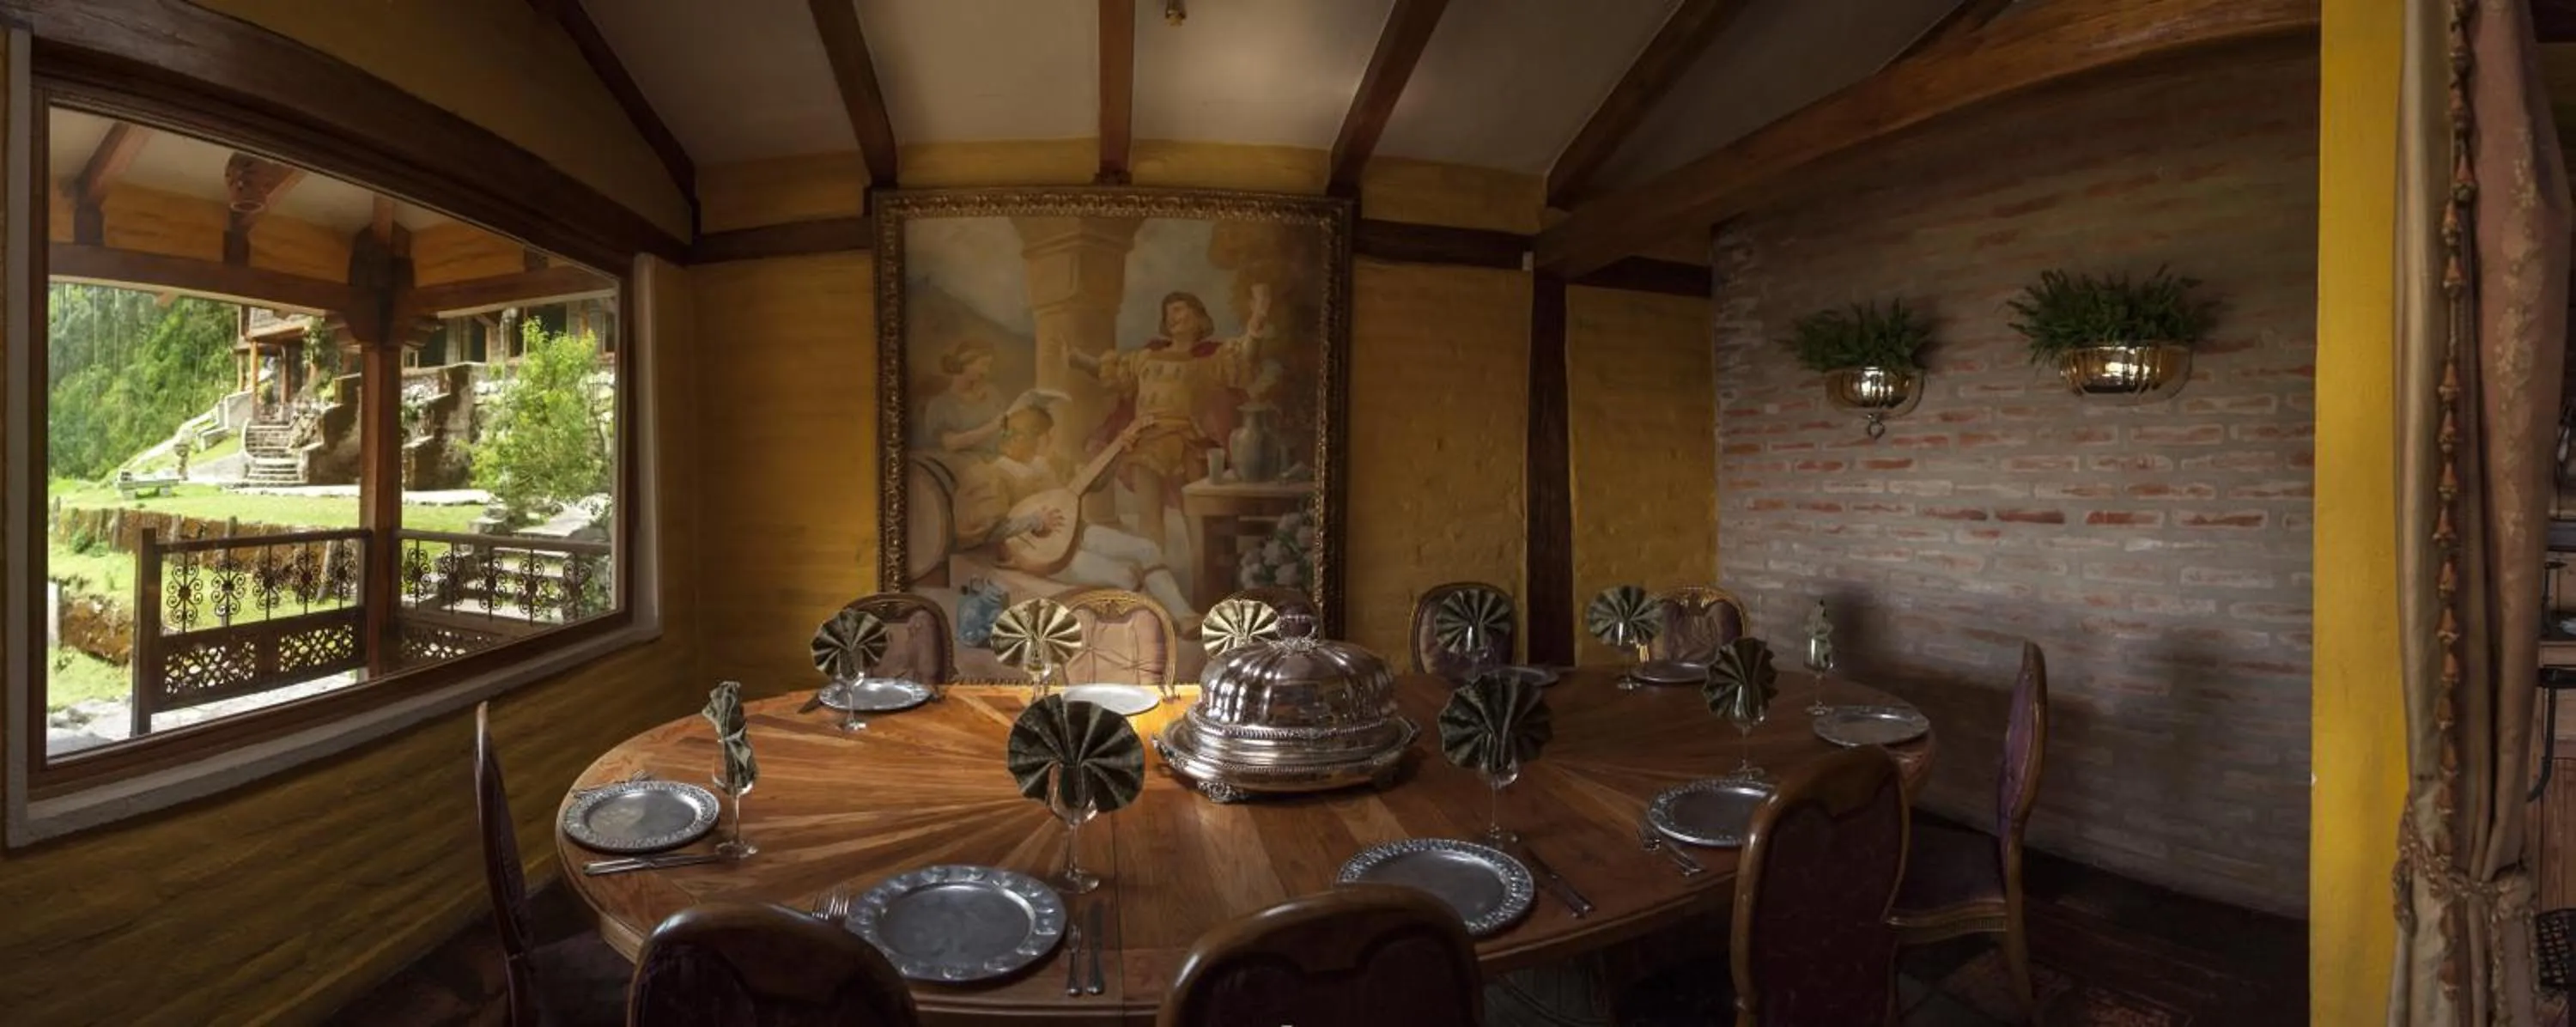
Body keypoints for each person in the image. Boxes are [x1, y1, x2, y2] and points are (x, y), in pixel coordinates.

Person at [1068, 286, 1275, 555]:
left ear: (1199, 318)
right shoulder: (1146, 357)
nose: (1171, 316)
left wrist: (1258, 316)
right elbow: (1113, 372)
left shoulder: (1210, 358)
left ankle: (1206, 578)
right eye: (1168, 312)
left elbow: (1245, 355)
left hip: (1188, 441)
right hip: (1146, 440)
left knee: (1197, 515)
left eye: (1179, 309)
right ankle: (1154, 574)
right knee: (1149, 516)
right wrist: (1077, 359)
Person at [950, 405, 1197, 618]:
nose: (1049, 441)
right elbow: (991, 530)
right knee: (1124, 575)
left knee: (1147, 549)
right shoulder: (994, 475)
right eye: (1044, 436)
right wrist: (1034, 521)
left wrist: (1121, 449)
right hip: (1040, 554)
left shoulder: (1045, 464)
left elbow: (1092, 484)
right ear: (1023, 438)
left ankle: (1184, 616)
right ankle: (1154, 625)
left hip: (1077, 533)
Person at [912, 337, 1010, 462]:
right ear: (965, 363)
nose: (986, 371)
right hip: (960, 469)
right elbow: (951, 444)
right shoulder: (940, 405)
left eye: (989, 366)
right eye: (983, 364)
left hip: (997, 465)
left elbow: (1006, 433)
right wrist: (992, 427)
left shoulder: (993, 395)